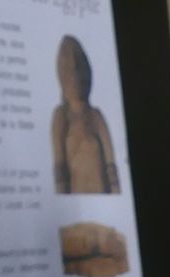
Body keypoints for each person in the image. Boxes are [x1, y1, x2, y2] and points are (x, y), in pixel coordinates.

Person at [52, 36, 120, 194]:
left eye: (79, 66)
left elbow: (112, 170)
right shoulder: (61, 116)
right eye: (69, 68)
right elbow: (60, 170)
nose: (75, 74)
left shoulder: (96, 117)